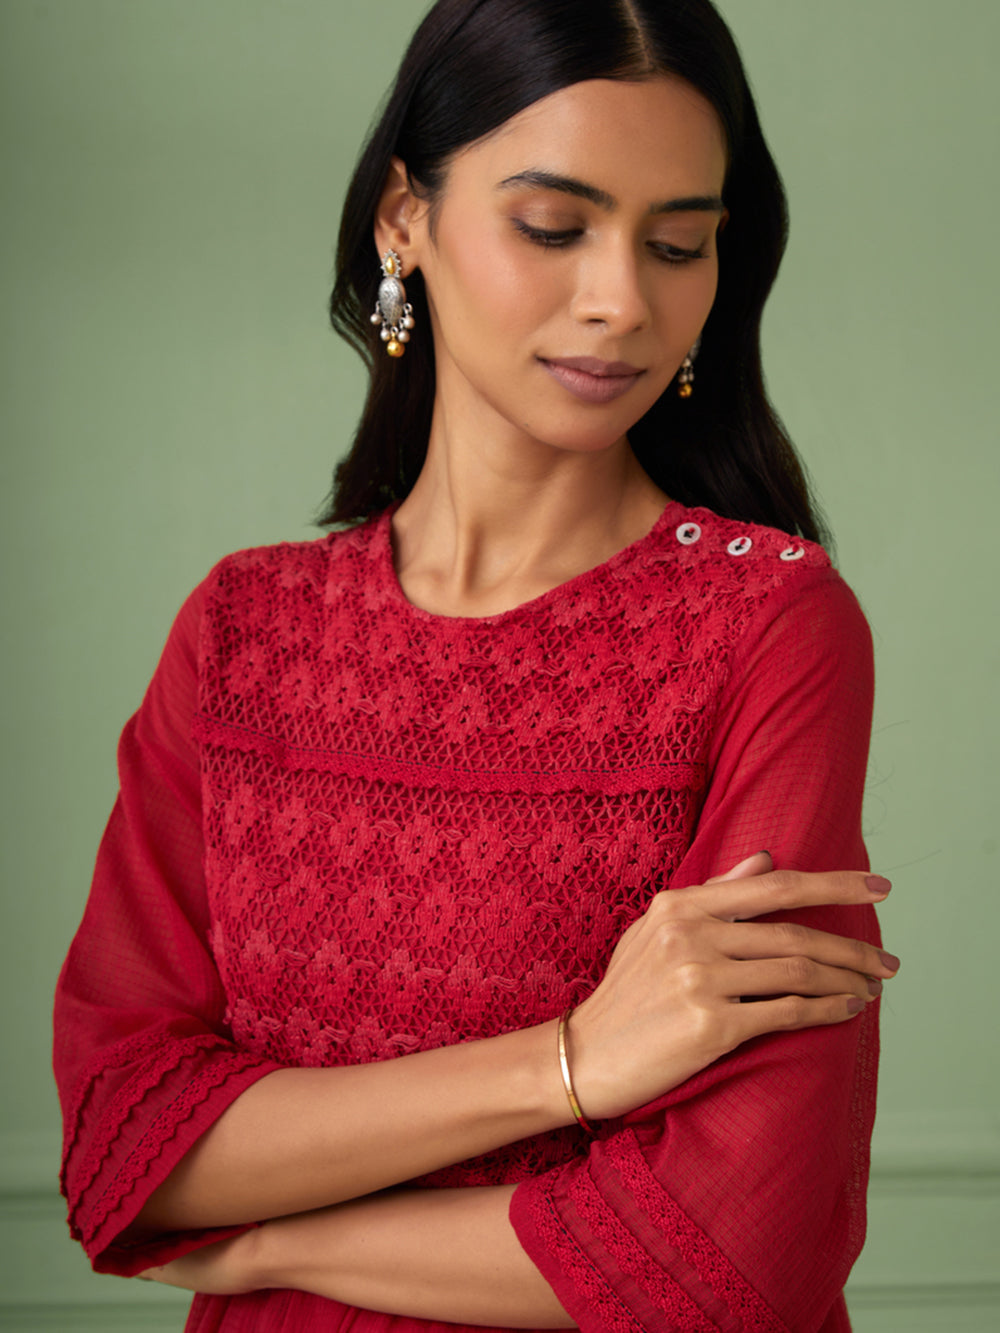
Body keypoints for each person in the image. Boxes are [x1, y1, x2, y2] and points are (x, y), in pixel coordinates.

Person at [53, 1, 899, 1329]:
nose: (623, 297)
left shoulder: (769, 629)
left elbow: (733, 1250)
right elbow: (121, 1143)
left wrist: (273, 1234)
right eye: (554, 226)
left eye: (679, 243)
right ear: (405, 219)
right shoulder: (241, 633)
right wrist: (573, 1064)